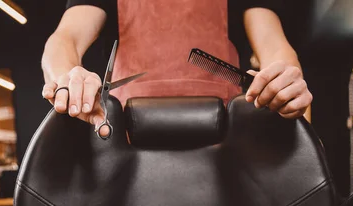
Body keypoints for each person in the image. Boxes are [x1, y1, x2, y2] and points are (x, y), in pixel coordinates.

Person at [42, 0, 312, 138]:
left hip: (225, 148)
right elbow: (65, 39)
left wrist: (285, 80)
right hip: (129, 145)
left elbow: (275, 47)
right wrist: (67, 76)